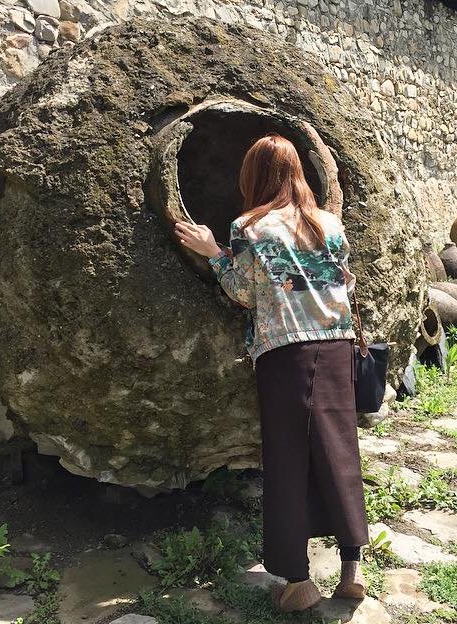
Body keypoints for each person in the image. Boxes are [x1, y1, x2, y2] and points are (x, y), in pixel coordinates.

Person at [174, 134, 369, 612]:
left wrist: (213, 250)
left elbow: (244, 292)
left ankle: (299, 580)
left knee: (288, 460)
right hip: (338, 346)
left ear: (253, 176)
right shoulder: (329, 224)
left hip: (287, 353)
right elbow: (346, 281)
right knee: (339, 451)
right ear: (298, 172)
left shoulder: (251, 227)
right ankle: (351, 571)